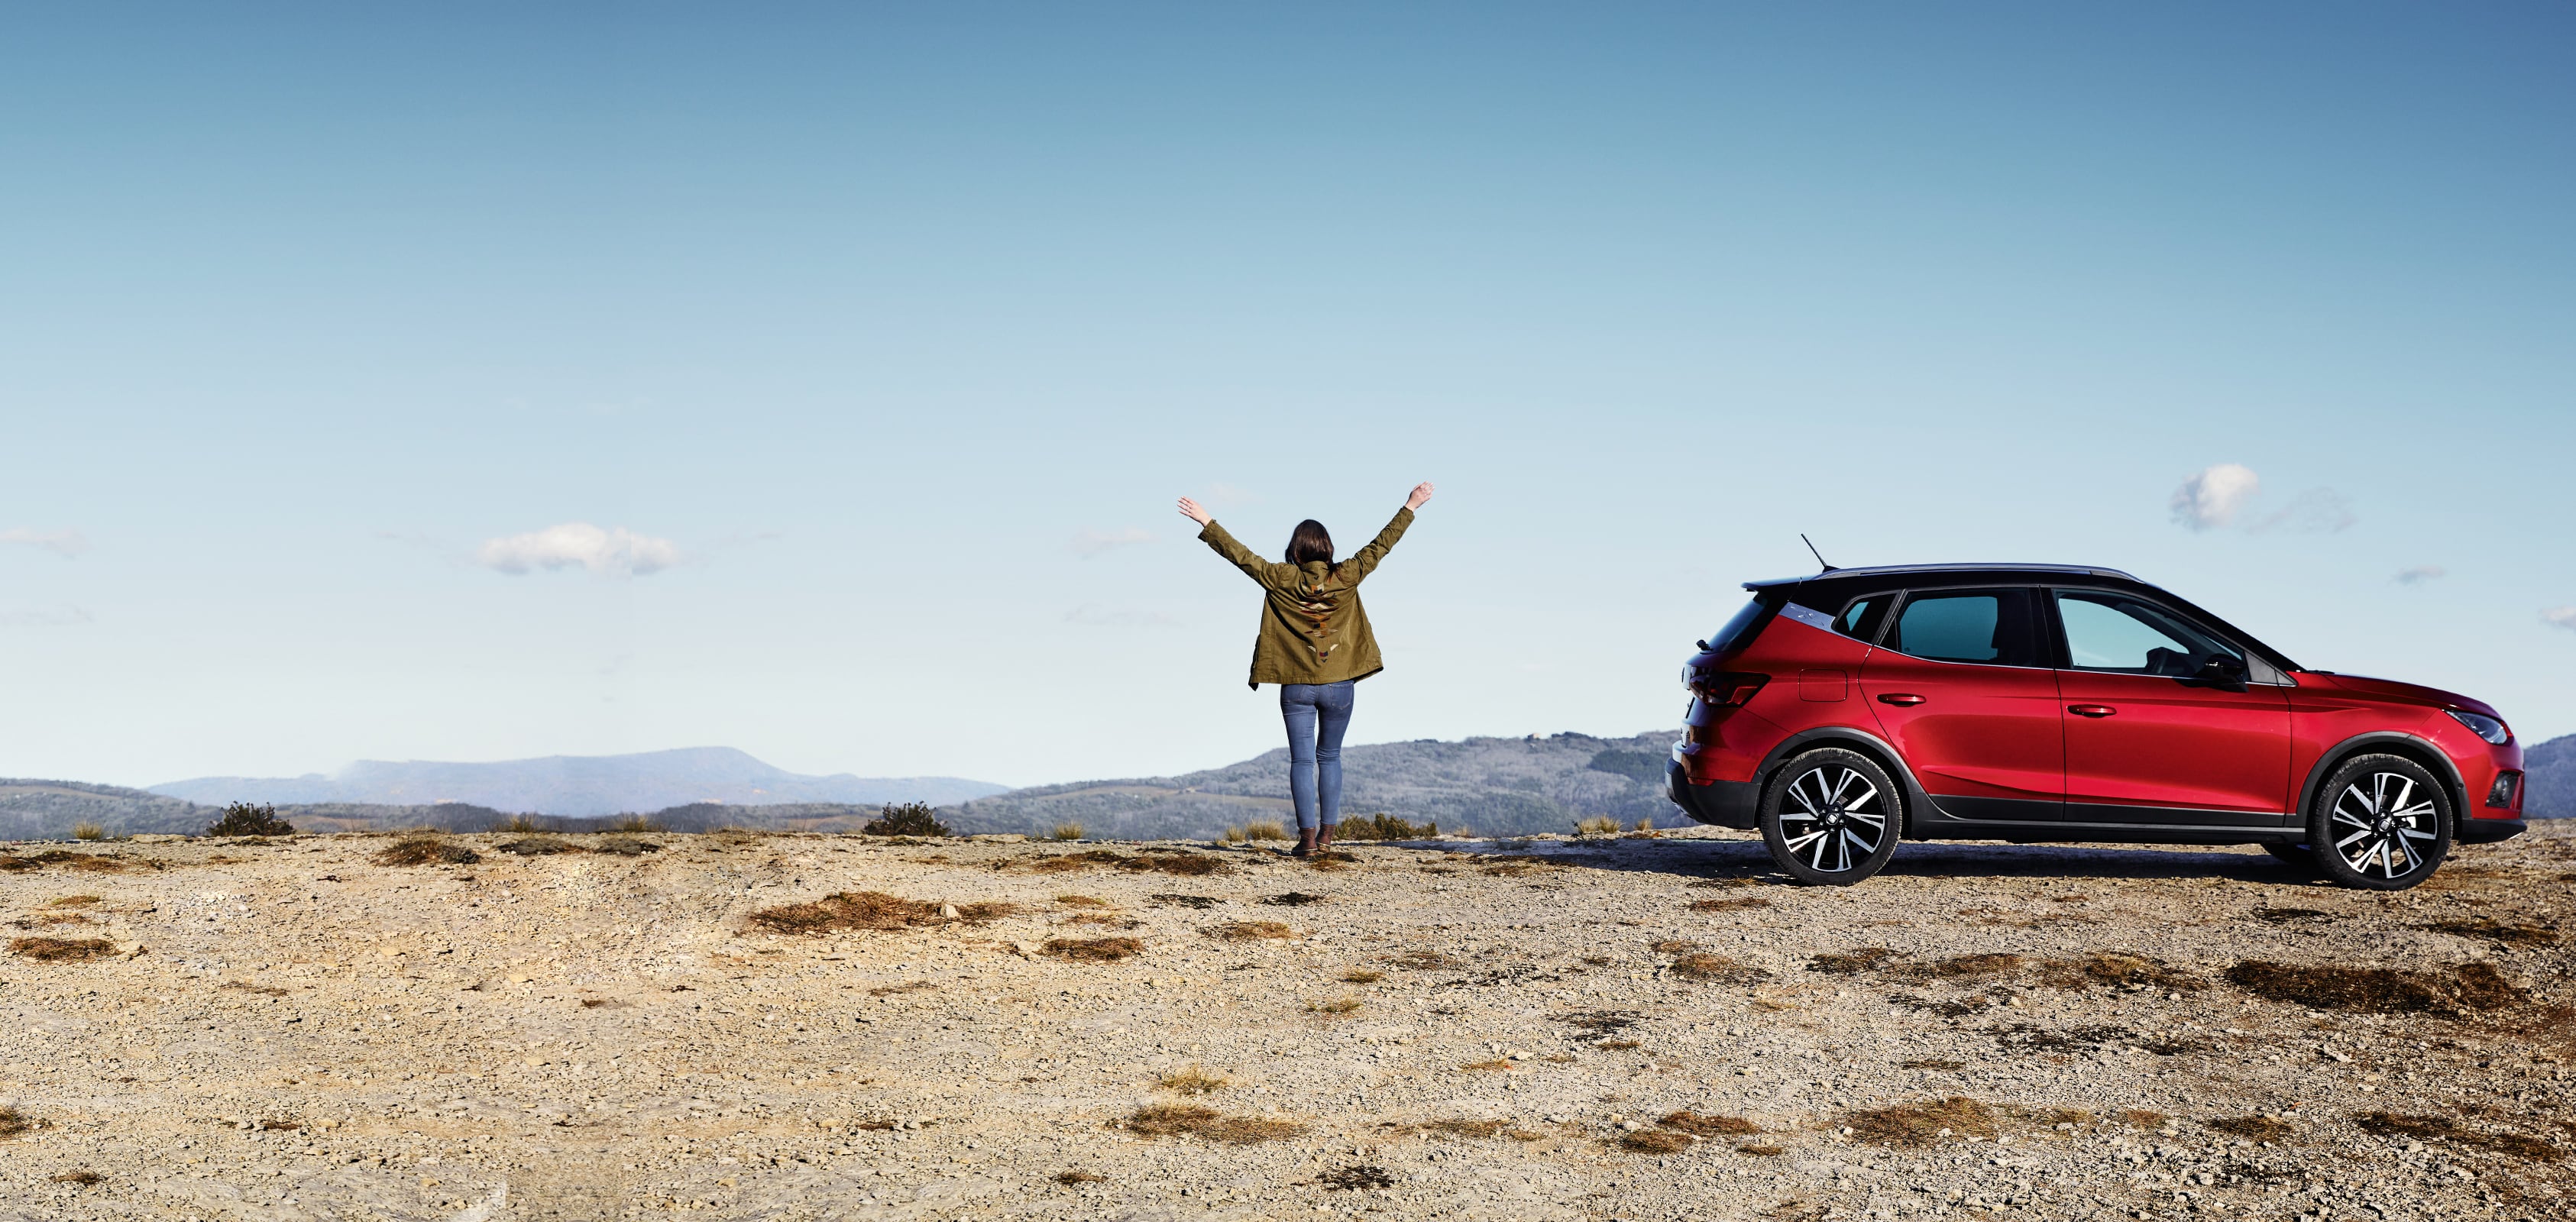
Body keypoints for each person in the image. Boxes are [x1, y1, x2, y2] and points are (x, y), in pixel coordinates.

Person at [1177, 483, 1434, 857]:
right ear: (1327, 549)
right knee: (1329, 756)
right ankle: (1328, 836)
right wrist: (1411, 506)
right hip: (1339, 685)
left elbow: (1241, 556)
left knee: (1300, 759)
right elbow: (1383, 544)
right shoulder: (1347, 575)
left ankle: (1308, 840)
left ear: (1295, 550)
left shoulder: (1280, 578)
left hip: (1296, 686)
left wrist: (1207, 521)